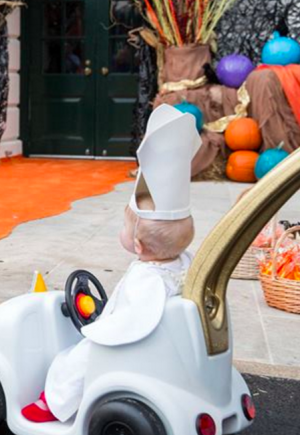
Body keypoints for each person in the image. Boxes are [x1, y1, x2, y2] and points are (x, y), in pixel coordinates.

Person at [22, 104, 200, 423]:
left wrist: (99, 327)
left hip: (132, 347)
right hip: (166, 347)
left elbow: (130, 323)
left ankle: (54, 402)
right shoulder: (182, 262)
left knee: (78, 358)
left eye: (124, 227)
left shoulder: (149, 280)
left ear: (137, 244)